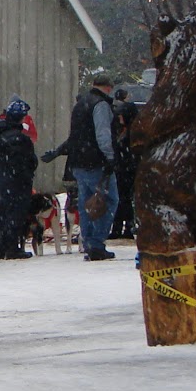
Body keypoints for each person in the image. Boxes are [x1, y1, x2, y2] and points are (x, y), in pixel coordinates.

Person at [62, 75, 119, 261]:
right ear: (109, 88)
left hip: (78, 161)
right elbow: (102, 133)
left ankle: (87, 241)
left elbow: (74, 134)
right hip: (96, 161)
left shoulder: (80, 104)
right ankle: (96, 243)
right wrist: (110, 157)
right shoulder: (101, 105)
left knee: (86, 203)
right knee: (106, 201)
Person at [0, 99, 36, 260]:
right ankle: (13, 248)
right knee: (16, 214)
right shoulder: (21, 139)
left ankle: (0, 248)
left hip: (0, 178)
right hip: (17, 181)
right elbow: (30, 162)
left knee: (1, 213)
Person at [108, 88, 139, 241]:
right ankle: (123, 225)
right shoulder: (123, 131)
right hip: (124, 168)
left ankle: (124, 226)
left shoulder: (130, 134)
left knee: (124, 199)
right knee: (123, 199)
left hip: (127, 169)